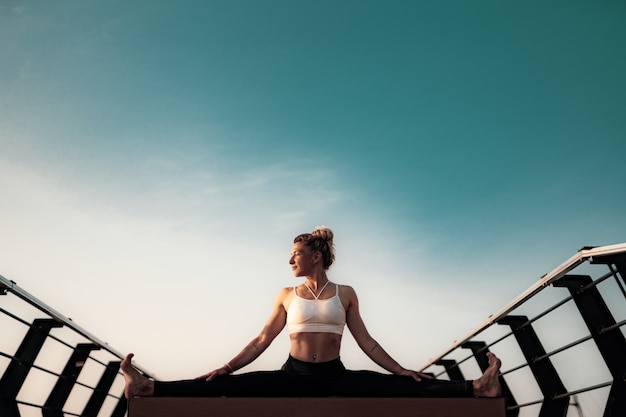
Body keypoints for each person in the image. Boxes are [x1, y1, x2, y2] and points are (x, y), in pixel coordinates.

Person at [121, 226, 502, 398]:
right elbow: (261, 340)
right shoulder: (286, 294)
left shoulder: (346, 293)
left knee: (400, 385)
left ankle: (477, 387)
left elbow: (367, 343)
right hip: (294, 375)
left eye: (296, 254)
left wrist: (400, 368)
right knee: (224, 384)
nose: (290, 259)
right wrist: (228, 365)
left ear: (315, 257)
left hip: (334, 377)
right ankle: (147, 387)